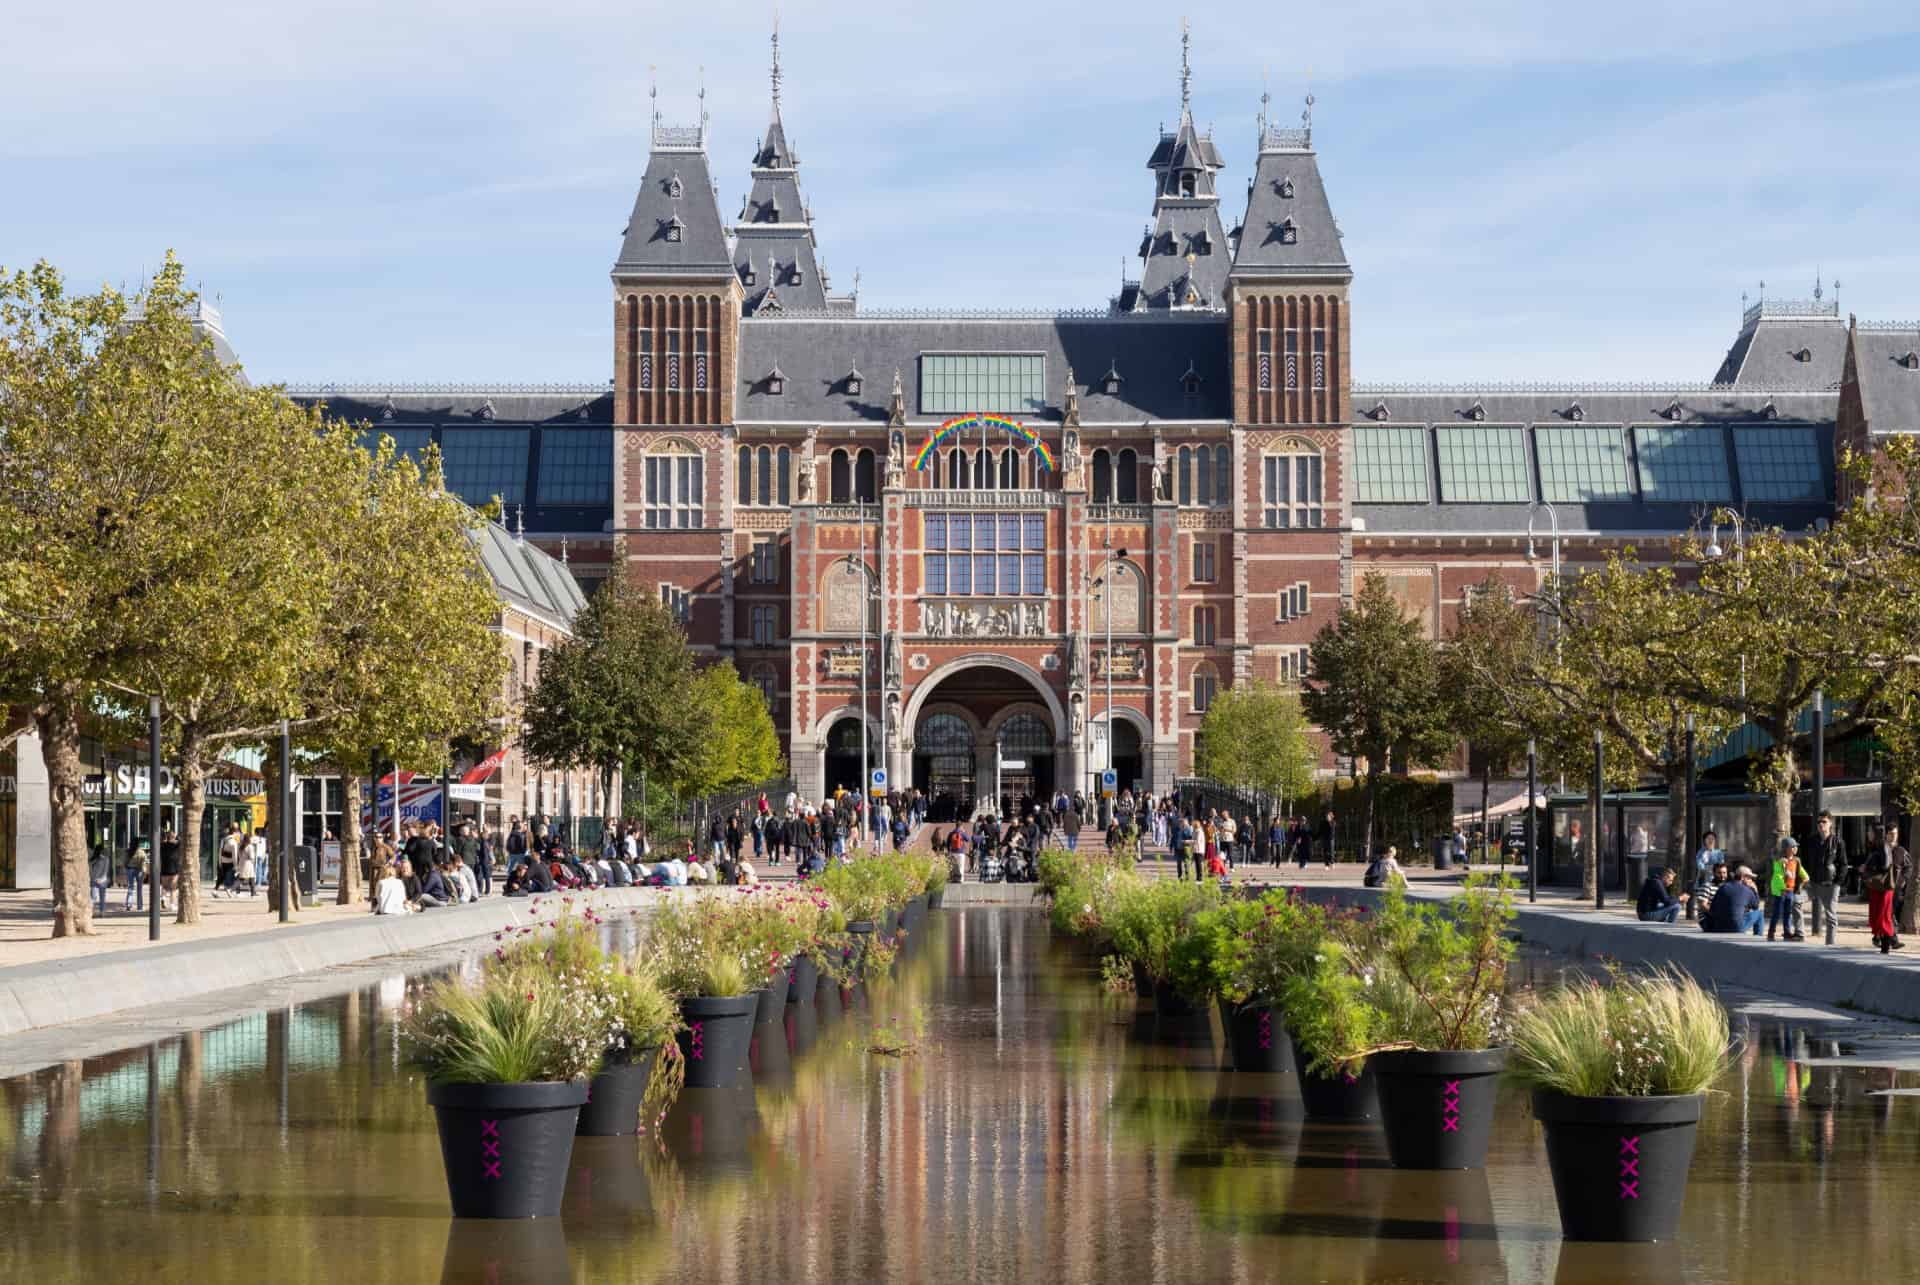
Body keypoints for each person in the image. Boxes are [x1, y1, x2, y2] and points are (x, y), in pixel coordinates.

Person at [1802, 810, 1847, 946]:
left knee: (1831, 916)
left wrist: (1837, 883)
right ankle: (1799, 933)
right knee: (1796, 900)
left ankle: (1830, 945)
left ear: (1830, 823)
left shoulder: (1838, 842)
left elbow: (1843, 864)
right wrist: (1805, 879)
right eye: (1819, 822)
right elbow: (1804, 861)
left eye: (1824, 821)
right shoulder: (1811, 841)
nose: (1821, 824)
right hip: (1813, 883)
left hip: (1830, 884)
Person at [1863, 828, 1905, 953]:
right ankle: (1885, 944)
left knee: (1883, 916)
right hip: (1879, 886)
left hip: (1882, 886)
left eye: (1870, 832)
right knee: (1880, 915)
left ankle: (1886, 946)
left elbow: (1886, 864)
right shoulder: (1877, 846)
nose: (1868, 834)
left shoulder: (1882, 846)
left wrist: (1870, 868)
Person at [1702, 865, 1764, 935]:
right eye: (1749, 878)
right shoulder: (1747, 890)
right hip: (1736, 928)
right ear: (1742, 877)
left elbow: (1712, 909)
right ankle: (1758, 936)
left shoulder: (1723, 887)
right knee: (1759, 914)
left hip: (1717, 927)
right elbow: (1756, 906)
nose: (1751, 880)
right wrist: (1755, 890)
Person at [1766, 836, 1805, 942]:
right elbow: (1777, 875)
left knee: (1788, 913)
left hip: (1790, 890)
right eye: (1793, 847)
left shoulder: (1796, 860)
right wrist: (1783, 871)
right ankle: (1771, 932)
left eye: (1796, 846)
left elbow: (1801, 873)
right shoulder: (1779, 861)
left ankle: (1787, 933)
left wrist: (1804, 880)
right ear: (1786, 849)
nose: (1795, 848)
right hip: (1781, 891)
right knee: (1777, 912)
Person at [89, 841, 113, 914]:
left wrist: (93, 878)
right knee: (101, 897)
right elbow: (105, 870)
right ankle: (101, 911)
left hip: (95, 880)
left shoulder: (94, 859)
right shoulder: (105, 859)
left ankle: (93, 911)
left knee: (93, 897)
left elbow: (90, 870)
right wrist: (101, 879)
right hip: (101, 880)